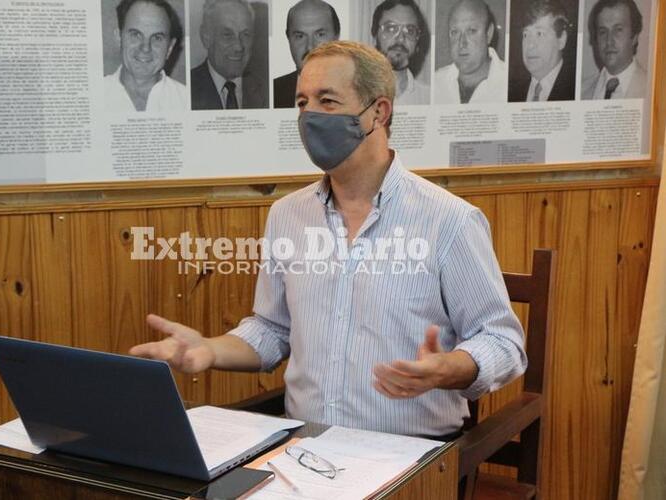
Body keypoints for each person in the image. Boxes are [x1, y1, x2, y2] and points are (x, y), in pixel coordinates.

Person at [130, 41, 527, 438]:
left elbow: (503, 342)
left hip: (411, 457)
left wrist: (451, 368)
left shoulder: (449, 220)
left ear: (378, 111)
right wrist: (209, 349)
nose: (310, 116)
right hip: (304, 449)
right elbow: (273, 330)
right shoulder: (287, 215)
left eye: (328, 101)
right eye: (302, 102)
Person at [104, 0, 187, 112]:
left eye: (157, 38)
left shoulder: (185, 100)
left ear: (170, 48)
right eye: (136, 35)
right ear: (119, 38)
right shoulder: (94, 94)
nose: (145, 48)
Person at [191, 0, 268, 110]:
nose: (239, 47)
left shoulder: (266, 88)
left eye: (246, 35)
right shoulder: (188, 89)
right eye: (227, 35)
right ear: (206, 37)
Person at [434, 0, 506, 104]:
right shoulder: (436, 82)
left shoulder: (508, 83)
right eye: (455, 32)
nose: (462, 43)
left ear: (489, 34)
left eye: (471, 31)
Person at [274, 0, 340, 108]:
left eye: (320, 34)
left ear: (336, 37)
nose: (310, 47)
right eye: (300, 36)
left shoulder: (358, 91)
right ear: (289, 38)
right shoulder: (274, 91)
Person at [509, 0, 576, 101]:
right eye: (526, 35)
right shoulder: (512, 91)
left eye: (539, 34)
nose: (530, 45)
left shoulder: (575, 88)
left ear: (561, 40)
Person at [581, 0, 646, 99]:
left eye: (618, 30)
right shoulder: (581, 90)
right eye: (603, 32)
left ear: (634, 37)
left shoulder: (652, 88)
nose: (609, 41)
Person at [372, 0, 430, 106]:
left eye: (410, 30)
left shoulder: (429, 98)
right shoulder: (355, 94)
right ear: (375, 36)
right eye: (391, 28)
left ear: (417, 42)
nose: (400, 39)